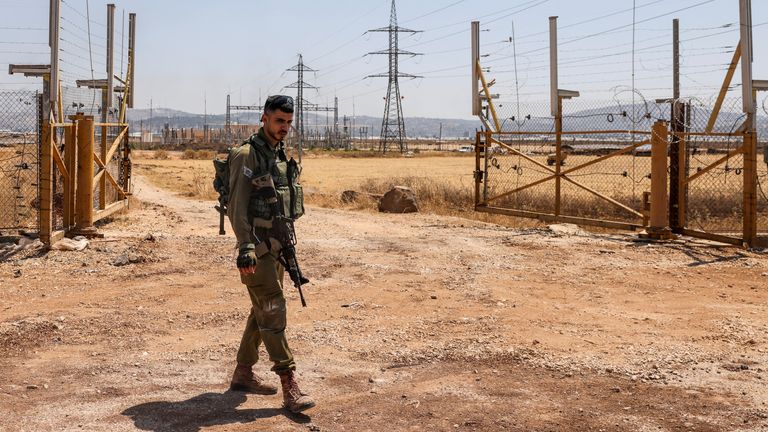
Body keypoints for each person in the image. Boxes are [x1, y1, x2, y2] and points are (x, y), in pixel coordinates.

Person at [226, 94, 315, 414]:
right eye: (279, 121)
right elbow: (237, 206)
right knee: (273, 309)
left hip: (277, 245)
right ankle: (289, 384)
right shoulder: (247, 156)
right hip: (256, 247)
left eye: (289, 123)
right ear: (263, 118)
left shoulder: (277, 154)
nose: (285, 128)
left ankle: (243, 374)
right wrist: (245, 247)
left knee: (262, 309)